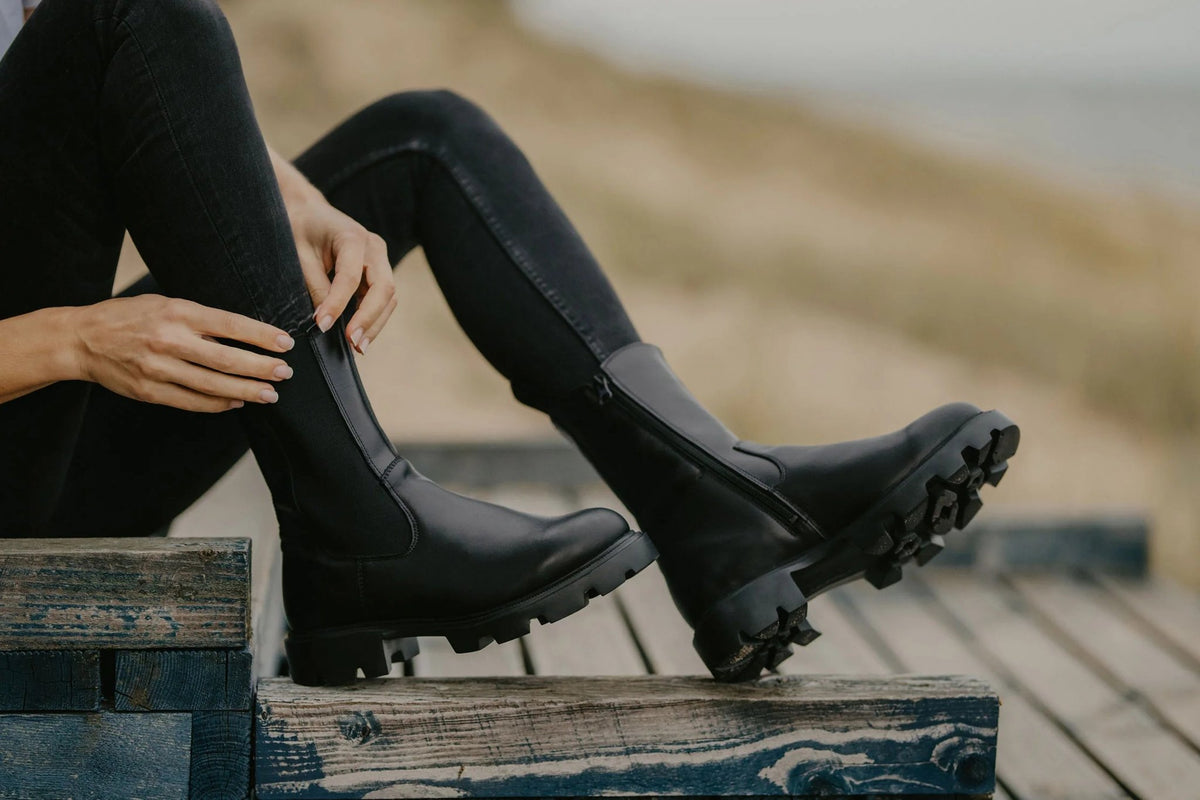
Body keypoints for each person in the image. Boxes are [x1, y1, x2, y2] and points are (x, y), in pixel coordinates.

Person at [0, 0, 1019, 684]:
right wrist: (70, 341)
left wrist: (300, 201)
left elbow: (127, 89)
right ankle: (362, 534)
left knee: (425, 139)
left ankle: (716, 506)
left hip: (49, 440)